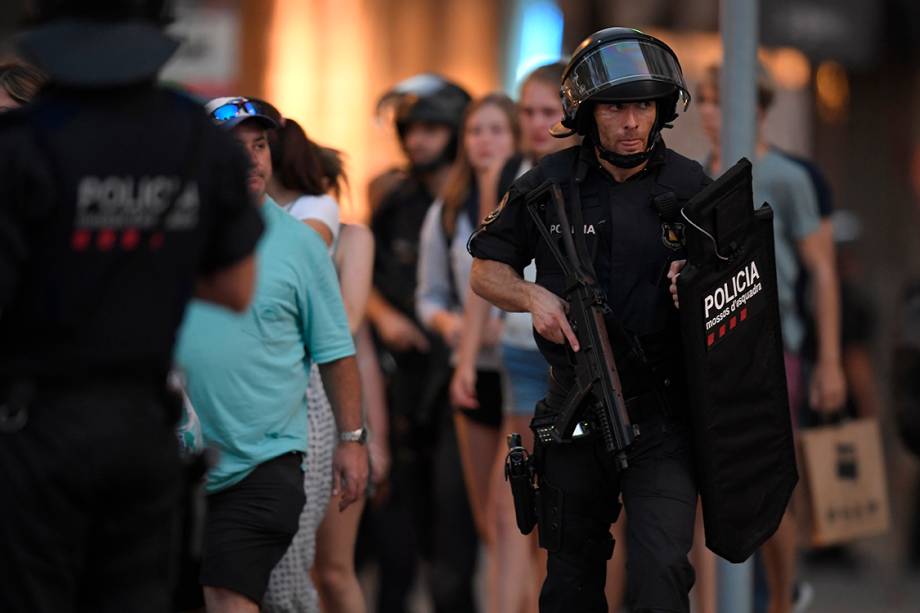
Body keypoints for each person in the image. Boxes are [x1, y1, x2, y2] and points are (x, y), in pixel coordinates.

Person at [0, 2, 263, 612]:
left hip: (36, 430)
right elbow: (236, 288)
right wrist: (148, 269)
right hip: (144, 430)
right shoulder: (200, 141)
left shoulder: (18, 145)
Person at [468, 27, 708, 613]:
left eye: (643, 106)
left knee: (661, 573)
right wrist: (531, 297)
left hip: (663, 416)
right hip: (576, 407)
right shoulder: (546, 183)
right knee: (570, 581)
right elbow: (484, 270)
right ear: (586, 113)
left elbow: (740, 281)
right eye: (617, 107)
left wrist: (699, 280)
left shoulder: (691, 185)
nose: (632, 122)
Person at [175, 96, 368, 613]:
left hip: (263, 463)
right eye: (235, 148)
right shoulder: (171, 234)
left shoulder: (299, 245)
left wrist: (352, 441)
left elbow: (336, 351)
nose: (252, 159)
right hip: (171, 462)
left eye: (259, 146)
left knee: (228, 596)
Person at [696, 63, 846, 613]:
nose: (711, 113)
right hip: (711, 348)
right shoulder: (693, 176)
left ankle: (782, 598)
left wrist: (828, 361)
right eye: (706, 101)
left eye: (722, 101)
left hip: (774, 345)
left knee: (771, 478)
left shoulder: (786, 176)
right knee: (713, 484)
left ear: (756, 107)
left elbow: (823, 269)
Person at [448, 62, 581, 613]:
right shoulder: (511, 173)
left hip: (575, 358)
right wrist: (463, 357)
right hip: (519, 354)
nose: (534, 122)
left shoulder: (585, 174)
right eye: (527, 110)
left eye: (548, 111)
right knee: (510, 509)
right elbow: (488, 265)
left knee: (574, 511)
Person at [363, 74, 479, 613]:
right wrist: (384, 317)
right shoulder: (394, 202)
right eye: (411, 129)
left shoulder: (486, 199)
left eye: (432, 128)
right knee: (395, 540)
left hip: (465, 385)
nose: (417, 140)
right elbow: (357, 276)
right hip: (403, 388)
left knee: (454, 541)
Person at [262, 113, 381, 613]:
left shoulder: (335, 227)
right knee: (306, 566)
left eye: (259, 147)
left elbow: (349, 327)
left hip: (326, 400)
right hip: (303, 398)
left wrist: (368, 438)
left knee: (331, 567)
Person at [416, 92, 518, 611]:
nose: (485, 141)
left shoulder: (530, 200)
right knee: (486, 517)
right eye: (477, 130)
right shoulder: (446, 213)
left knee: (518, 515)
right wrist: (452, 325)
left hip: (523, 374)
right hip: (473, 370)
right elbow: (428, 294)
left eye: (497, 130)